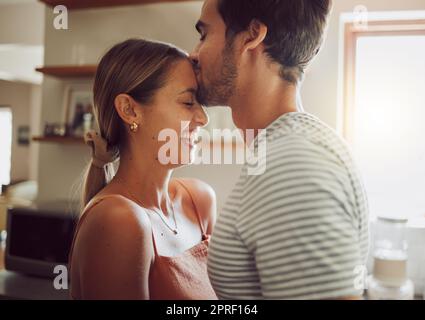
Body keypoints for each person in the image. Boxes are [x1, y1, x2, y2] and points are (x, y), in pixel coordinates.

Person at [190, 0, 369, 299]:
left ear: (251, 36)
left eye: (204, 34)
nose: (194, 54)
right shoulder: (291, 148)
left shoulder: (293, 165)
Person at [68, 39, 217, 300]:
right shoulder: (118, 220)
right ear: (130, 110)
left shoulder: (199, 201)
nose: (203, 118)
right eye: (188, 102)